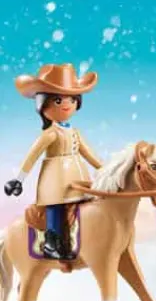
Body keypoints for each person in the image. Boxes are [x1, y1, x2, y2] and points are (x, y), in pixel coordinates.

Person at [4, 63, 103, 260]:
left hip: (78, 178)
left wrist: (105, 169)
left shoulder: (75, 132)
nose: (67, 104)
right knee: (55, 207)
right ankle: (51, 242)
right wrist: (19, 179)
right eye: (58, 100)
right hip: (55, 180)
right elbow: (32, 155)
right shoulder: (51, 134)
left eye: (72, 99)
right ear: (43, 105)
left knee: (86, 205)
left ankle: (84, 239)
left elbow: (88, 153)